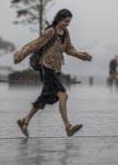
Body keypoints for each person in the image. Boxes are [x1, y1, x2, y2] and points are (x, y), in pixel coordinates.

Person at [13, 9, 92, 137]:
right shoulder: (50, 31)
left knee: (44, 98)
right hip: (46, 69)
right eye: (66, 21)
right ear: (59, 19)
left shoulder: (65, 33)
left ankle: (24, 121)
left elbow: (69, 49)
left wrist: (82, 55)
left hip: (56, 70)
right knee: (63, 95)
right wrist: (20, 55)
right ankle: (68, 126)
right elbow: (35, 45)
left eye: (69, 22)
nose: (67, 24)